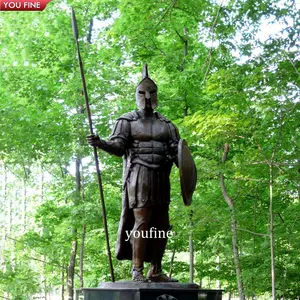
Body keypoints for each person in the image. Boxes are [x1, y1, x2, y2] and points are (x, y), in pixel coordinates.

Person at [87, 65, 180, 282]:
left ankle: (155, 269)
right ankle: (137, 270)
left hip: (161, 179)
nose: (147, 97)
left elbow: (178, 154)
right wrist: (100, 143)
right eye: (142, 92)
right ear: (136, 94)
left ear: (157, 94)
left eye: (151, 92)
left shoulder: (167, 124)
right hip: (139, 176)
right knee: (142, 223)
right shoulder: (126, 121)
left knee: (162, 225)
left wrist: (181, 160)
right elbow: (118, 148)